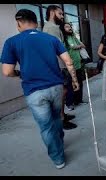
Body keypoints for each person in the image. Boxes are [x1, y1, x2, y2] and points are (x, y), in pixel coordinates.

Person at [0, 9, 79, 169]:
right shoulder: (50, 38)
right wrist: (74, 80)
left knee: (46, 126)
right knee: (56, 118)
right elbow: (68, 61)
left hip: (34, 91)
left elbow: (7, 71)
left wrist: (20, 73)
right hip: (56, 87)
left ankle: (58, 158)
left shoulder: (12, 42)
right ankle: (60, 143)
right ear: (36, 23)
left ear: (19, 23)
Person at [43, 5, 77, 130]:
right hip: (59, 65)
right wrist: (67, 63)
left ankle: (62, 114)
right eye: (60, 14)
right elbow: (57, 50)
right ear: (52, 13)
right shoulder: (51, 28)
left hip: (59, 64)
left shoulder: (53, 27)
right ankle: (61, 118)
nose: (62, 17)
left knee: (64, 91)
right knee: (63, 91)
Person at [60, 22, 87, 107]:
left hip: (78, 63)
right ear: (63, 29)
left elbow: (83, 45)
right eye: (67, 27)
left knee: (80, 82)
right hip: (69, 66)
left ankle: (78, 100)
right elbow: (72, 47)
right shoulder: (64, 39)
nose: (70, 28)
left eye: (70, 26)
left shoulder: (74, 37)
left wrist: (77, 45)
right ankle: (69, 103)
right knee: (70, 85)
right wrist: (77, 46)